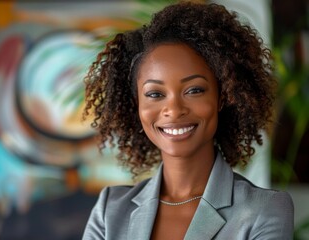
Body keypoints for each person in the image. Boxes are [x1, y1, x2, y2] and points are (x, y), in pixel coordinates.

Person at [82, 1, 294, 240]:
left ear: (222, 97)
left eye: (194, 90)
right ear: (136, 104)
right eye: (155, 94)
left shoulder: (263, 210)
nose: (173, 110)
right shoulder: (110, 209)